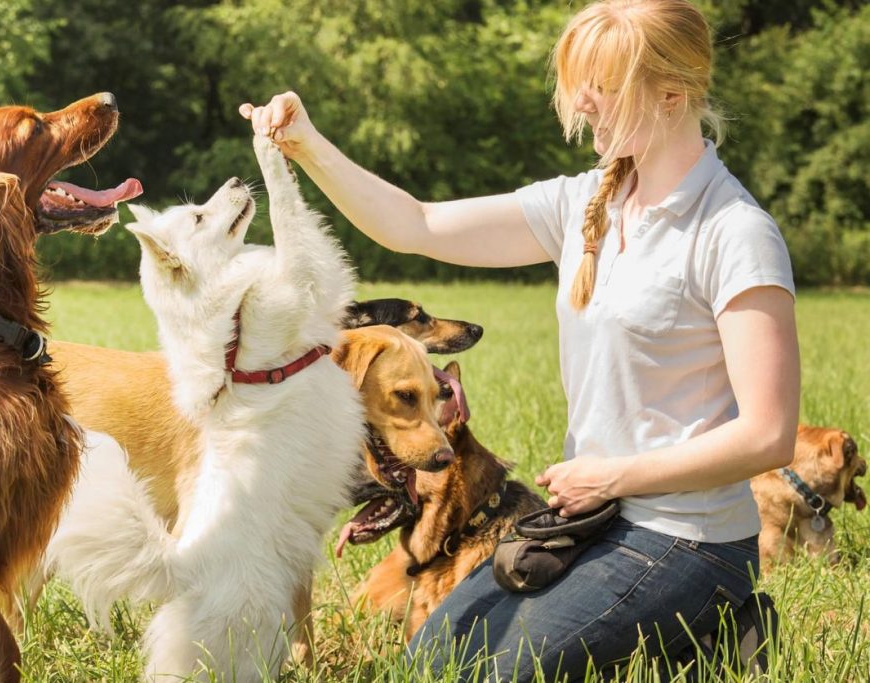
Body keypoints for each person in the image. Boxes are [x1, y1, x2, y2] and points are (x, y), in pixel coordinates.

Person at [240, 0, 799, 679]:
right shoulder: (584, 205)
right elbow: (417, 224)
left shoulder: (734, 232)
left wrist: (616, 474)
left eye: (603, 85)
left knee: (488, 674)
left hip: (689, 538)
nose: (583, 102)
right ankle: (696, 646)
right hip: (593, 521)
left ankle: (714, 615)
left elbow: (768, 435)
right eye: (579, 83)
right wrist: (310, 144)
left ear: (673, 94)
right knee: (429, 662)